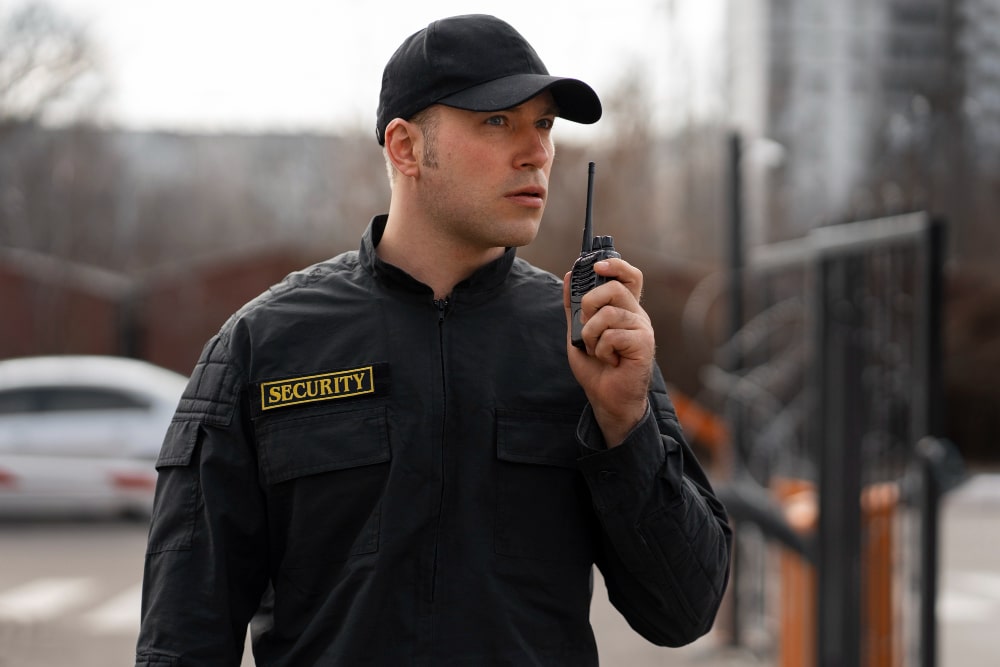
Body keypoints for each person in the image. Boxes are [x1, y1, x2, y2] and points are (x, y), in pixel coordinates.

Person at [136, 14, 732, 667]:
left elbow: (684, 611)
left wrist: (625, 424)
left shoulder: (591, 340)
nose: (536, 152)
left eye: (543, 124)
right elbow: (181, 640)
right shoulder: (264, 344)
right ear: (405, 147)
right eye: (497, 121)